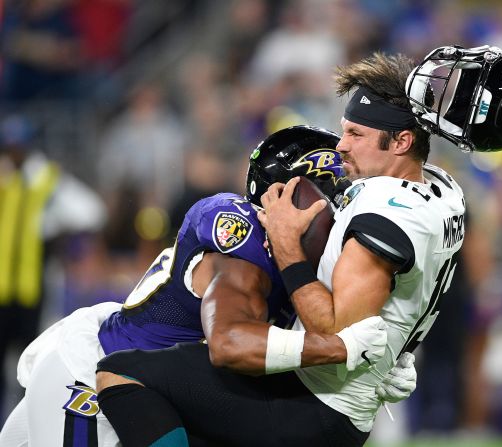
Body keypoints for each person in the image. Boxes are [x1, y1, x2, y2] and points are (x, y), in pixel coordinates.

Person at [94, 45, 502, 446]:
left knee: (123, 372)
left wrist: (287, 245)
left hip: (317, 405)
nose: (340, 148)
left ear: (402, 142)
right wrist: (394, 355)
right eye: (343, 131)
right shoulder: (444, 191)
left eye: (356, 135)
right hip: (335, 401)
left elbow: (335, 334)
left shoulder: (383, 212)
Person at [0, 125, 409, 447]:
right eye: (337, 196)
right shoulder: (242, 239)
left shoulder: (305, 261)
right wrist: (342, 349)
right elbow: (230, 342)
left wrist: (375, 365)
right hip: (93, 380)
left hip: (152, 397)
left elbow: (317, 334)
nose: (346, 212)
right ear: (296, 196)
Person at [0, 113, 107, 424]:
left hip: (35, 286)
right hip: (3, 286)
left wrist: (59, 230)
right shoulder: (5, 178)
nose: (12, 153)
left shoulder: (47, 179)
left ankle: (28, 420)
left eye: (16, 147)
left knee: (31, 359)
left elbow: (91, 211)